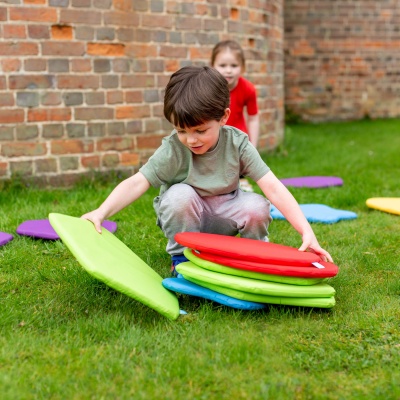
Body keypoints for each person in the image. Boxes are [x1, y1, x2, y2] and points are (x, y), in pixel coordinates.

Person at [81, 66, 332, 277]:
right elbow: (138, 182)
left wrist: (306, 231)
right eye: (182, 131)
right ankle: (182, 260)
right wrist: (102, 212)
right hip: (188, 216)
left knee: (258, 205)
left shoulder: (238, 143)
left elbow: (273, 187)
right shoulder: (173, 148)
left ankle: (253, 257)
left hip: (226, 214)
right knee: (179, 195)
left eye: (200, 131)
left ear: (223, 117)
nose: (191, 140)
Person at [211, 40, 259, 192]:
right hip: (214, 136)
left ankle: (241, 183)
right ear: (213, 66)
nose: (228, 71)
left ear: (242, 67)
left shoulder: (248, 89)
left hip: (237, 138)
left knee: (236, 168)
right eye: (222, 66)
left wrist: (253, 145)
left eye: (234, 66)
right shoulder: (209, 88)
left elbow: (253, 118)